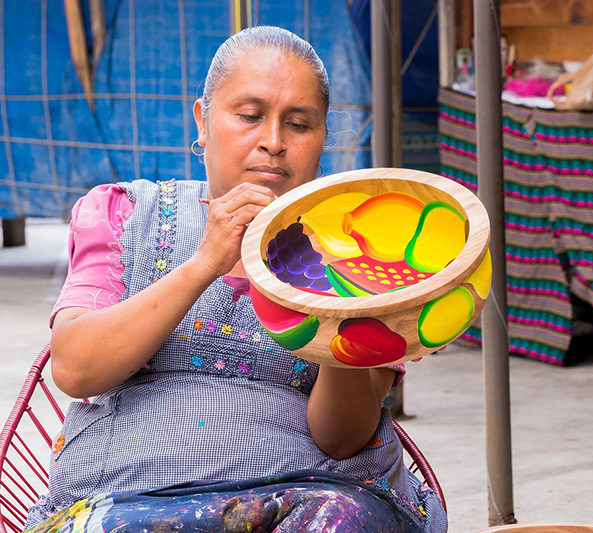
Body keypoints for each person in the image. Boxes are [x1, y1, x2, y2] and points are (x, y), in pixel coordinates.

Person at [25, 26, 446, 533]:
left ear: (322, 138)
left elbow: (341, 438)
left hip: (312, 500)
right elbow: (76, 370)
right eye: (249, 116)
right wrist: (206, 262)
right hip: (129, 497)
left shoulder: (364, 251)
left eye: (299, 124)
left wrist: (337, 306)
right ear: (203, 120)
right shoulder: (126, 213)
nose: (272, 142)